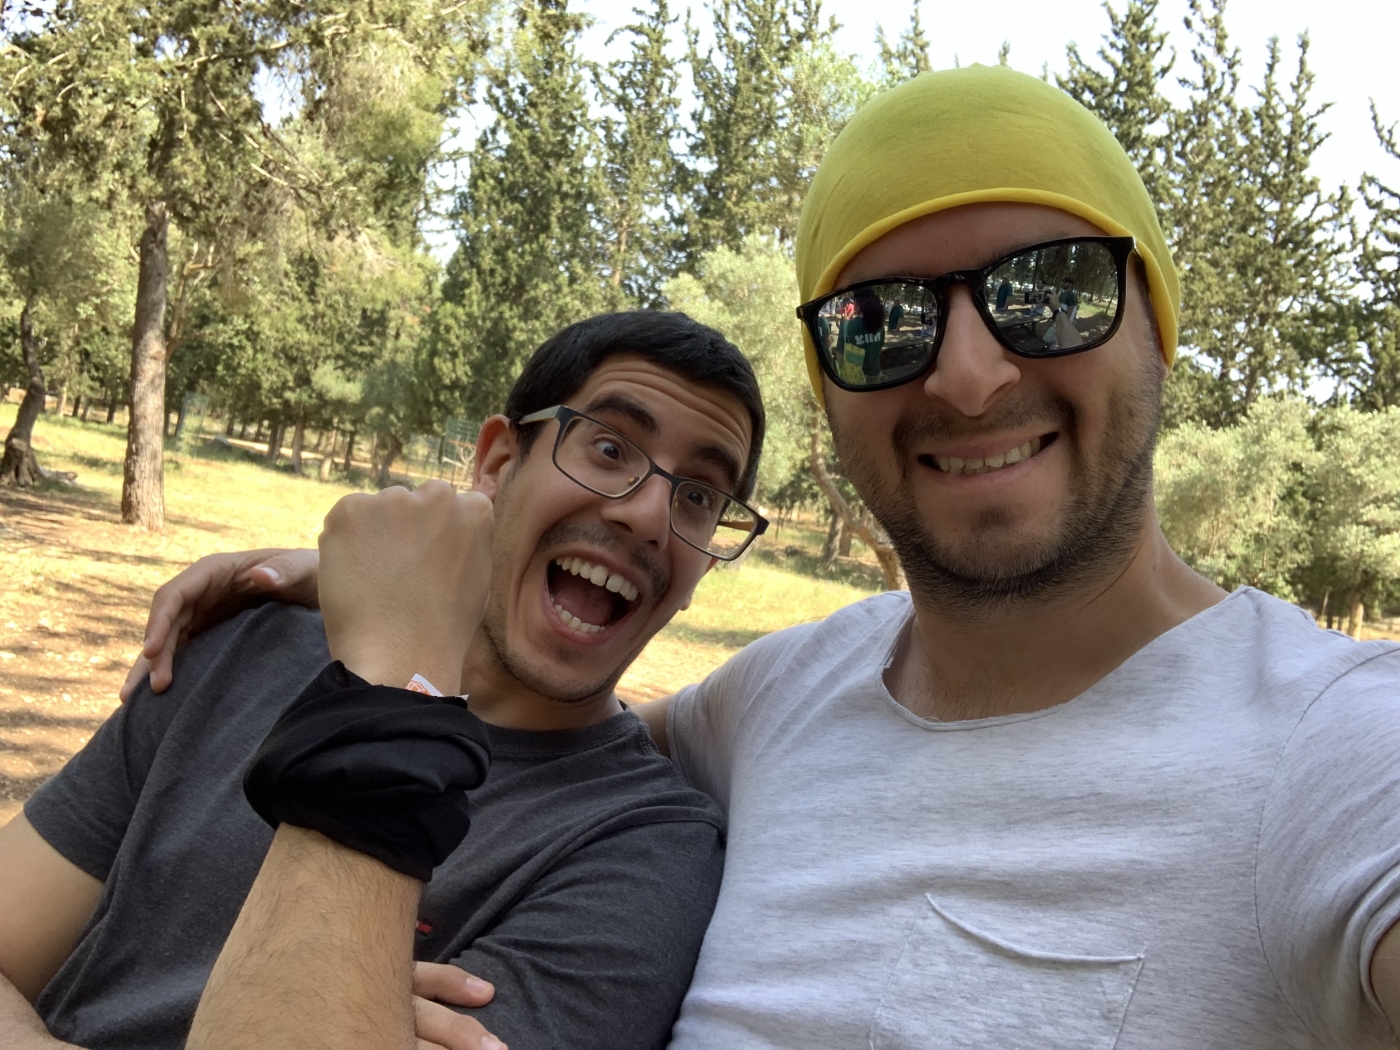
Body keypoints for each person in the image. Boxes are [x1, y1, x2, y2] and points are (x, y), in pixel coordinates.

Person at [121, 66, 1400, 1049]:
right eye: (879, 321)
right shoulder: (783, 699)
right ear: (830, 393)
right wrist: (385, 583)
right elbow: (556, 703)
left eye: (1052, 288)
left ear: (1156, 325)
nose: (966, 374)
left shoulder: (1335, 753)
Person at [0, 311, 771, 1050]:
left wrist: (393, 692)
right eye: (607, 448)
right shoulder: (245, 645)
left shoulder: (644, 854)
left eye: (700, 497)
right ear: (498, 464)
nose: (649, 514)